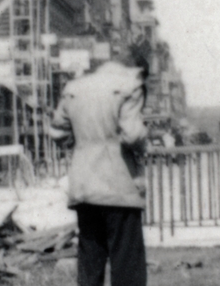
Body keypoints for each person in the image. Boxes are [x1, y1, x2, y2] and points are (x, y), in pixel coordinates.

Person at [49, 43, 149, 286]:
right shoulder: (131, 86)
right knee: (127, 264)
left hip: (84, 184)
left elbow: (57, 131)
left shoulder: (74, 88)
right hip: (119, 184)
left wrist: (83, 144)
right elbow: (132, 134)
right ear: (135, 70)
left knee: (90, 262)